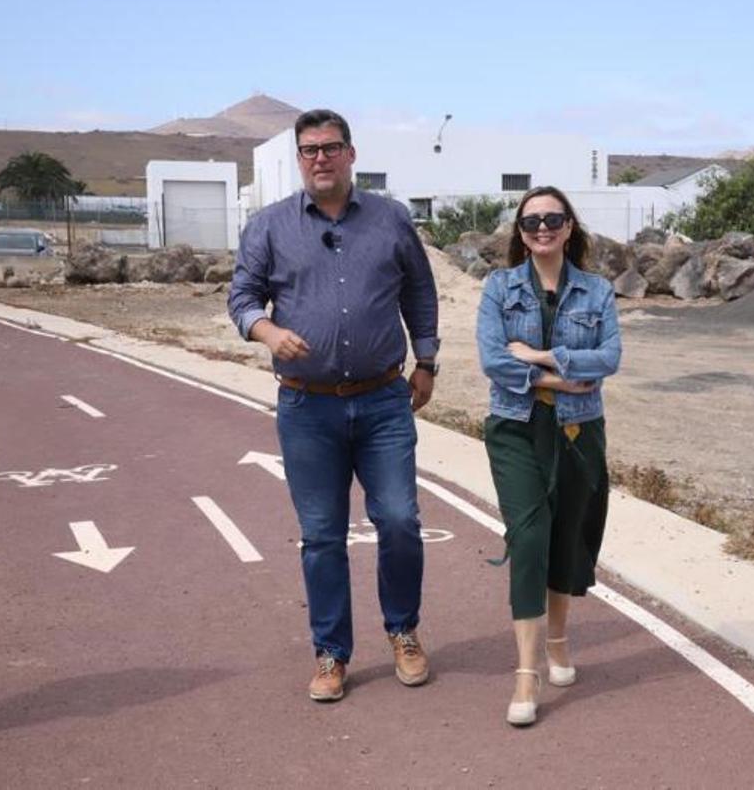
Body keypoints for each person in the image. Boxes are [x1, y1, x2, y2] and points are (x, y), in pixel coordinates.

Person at [228, 109, 440, 703]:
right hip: (307, 408)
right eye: (309, 150)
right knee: (322, 536)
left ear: (350, 154)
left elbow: (419, 290)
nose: (320, 158)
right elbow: (242, 294)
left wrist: (426, 361)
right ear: (299, 159)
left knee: (399, 520)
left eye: (331, 147)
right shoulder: (268, 226)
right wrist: (266, 331)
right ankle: (331, 653)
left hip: (383, 402)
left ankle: (403, 631)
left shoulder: (391, 219)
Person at [475, 186, 621, 726]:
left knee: (567, 537)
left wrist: (538, 356)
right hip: (515, 427)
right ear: (519, 231)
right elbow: (493, 360)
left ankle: (559, 640)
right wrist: (562, 378)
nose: (541, 228)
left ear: (568, 227)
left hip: (580, 432)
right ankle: (526, 673)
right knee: (531, 536)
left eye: (552, 219)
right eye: (531, 220)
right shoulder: (499, 287)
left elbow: (608, 358)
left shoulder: (598, 291)